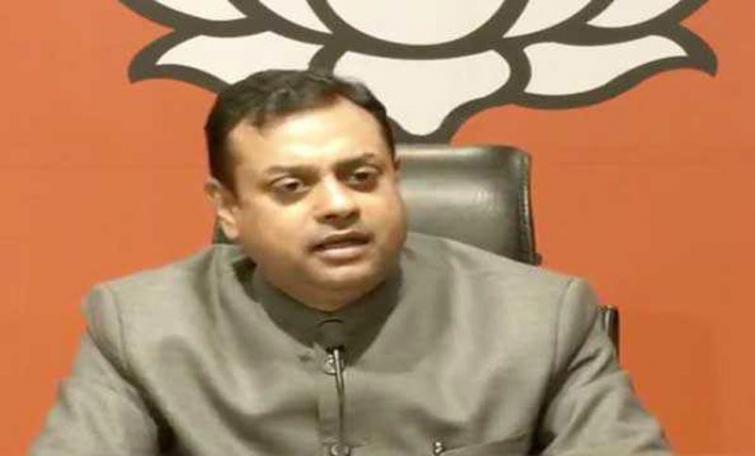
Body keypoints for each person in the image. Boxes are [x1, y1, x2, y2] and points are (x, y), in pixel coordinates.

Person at [32, 69, 670, 455]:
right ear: (227, 209)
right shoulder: (141, 326)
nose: (338, 205)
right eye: (292, 187)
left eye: (362, 177)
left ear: (396, 178)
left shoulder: (541, 317)